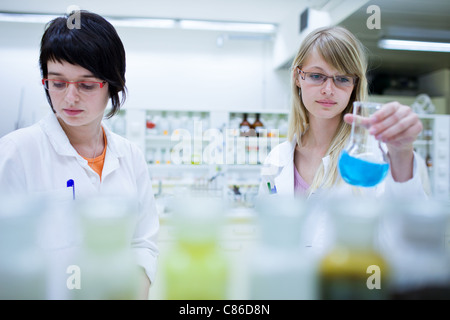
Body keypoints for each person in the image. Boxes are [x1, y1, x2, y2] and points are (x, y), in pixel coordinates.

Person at [0, 11, 158, 299]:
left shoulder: (130, 156)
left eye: (86, 85)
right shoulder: (15, 153)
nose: (70, 97)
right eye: (58, 83)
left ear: (113, 84)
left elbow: (143, 243)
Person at [258, 26, 430, 254]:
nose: (328, 89)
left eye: (342, 78)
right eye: (317, 76)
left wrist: (402, 152)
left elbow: (415, 235)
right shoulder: (277, 158)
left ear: (354, 85)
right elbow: (265, 235)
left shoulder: (373, 157)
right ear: (297, 77)